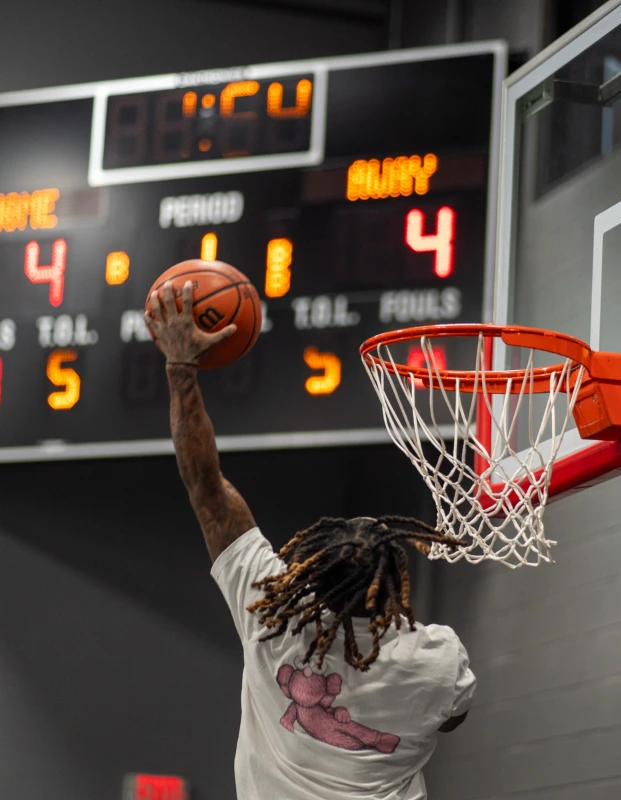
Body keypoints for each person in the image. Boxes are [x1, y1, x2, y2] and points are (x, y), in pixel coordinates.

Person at [145, 280, 476, 800]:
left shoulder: (270, 615)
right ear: (393, 590)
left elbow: (207, 488)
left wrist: (180, 369)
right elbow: (454, 716)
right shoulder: (435, 663)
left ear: (312, 578)